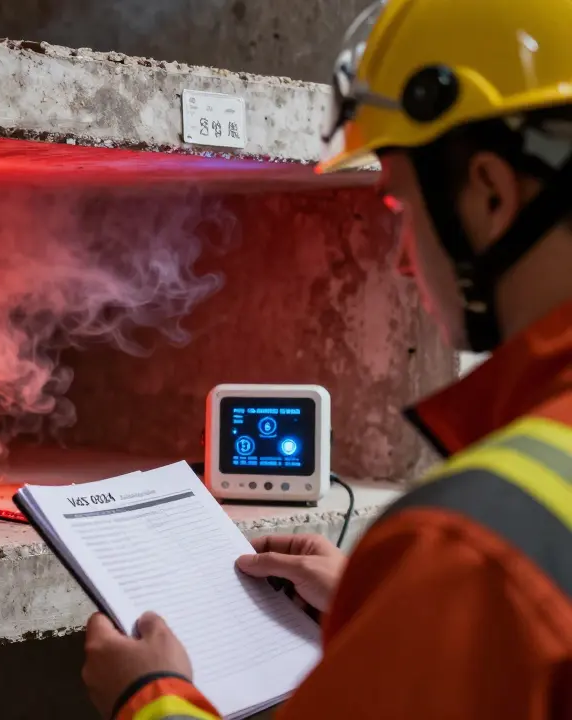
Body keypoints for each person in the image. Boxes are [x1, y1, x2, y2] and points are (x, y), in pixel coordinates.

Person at [81, 0, 572, 718]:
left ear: (490, 194)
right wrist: (394, 613)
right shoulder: (467, 566)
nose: (404, 263)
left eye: (400, 209)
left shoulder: (469, 547)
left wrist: (148, 694)